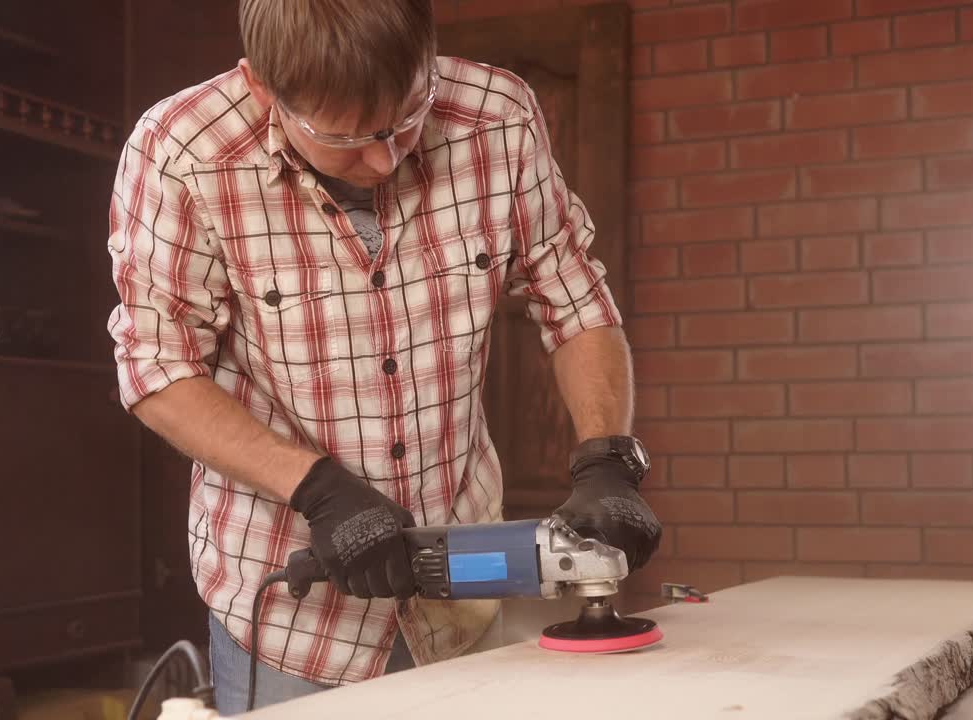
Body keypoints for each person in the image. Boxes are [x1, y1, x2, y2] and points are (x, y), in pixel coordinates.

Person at [106, 0, 661, 714]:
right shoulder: (183, 152)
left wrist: (606, 459)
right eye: (348, 137)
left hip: (460, 594)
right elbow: (157, 368)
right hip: (293, 610)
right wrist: (316, 488)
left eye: (406, 118)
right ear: (264, 89)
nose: (385, 158)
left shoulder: (499, 116)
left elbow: (574, 296)